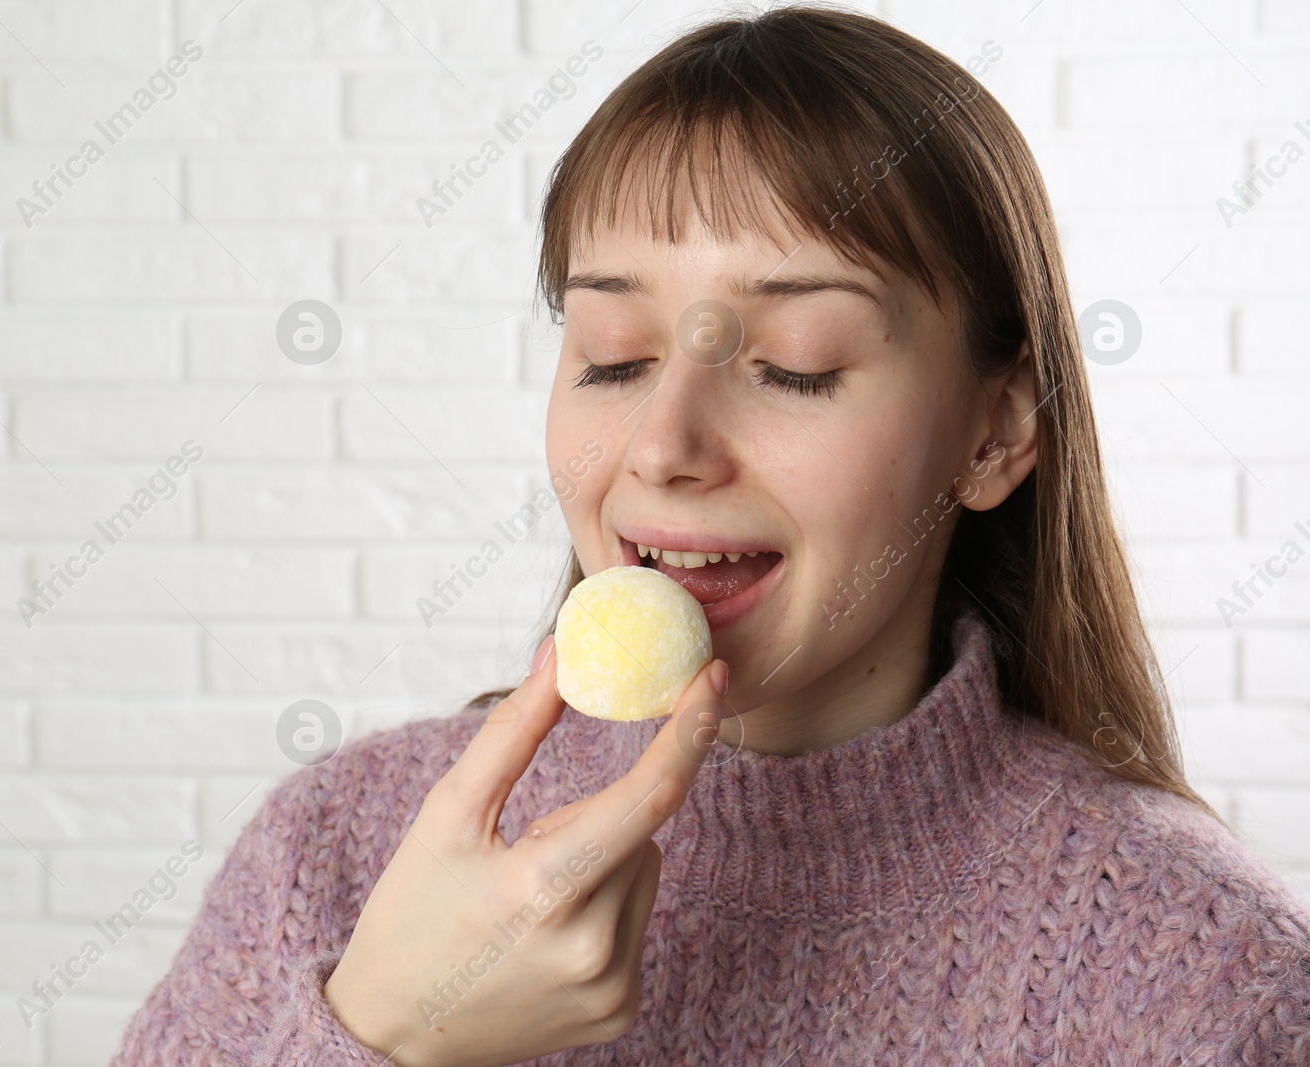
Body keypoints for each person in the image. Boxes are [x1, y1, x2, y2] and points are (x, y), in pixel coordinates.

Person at [109, 7, 1310, 1064]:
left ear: (994, 434)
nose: (662, 440)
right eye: (613, 356)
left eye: (794, 368)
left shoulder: (1203, 979)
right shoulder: (334, 851)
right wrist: (380, 1030)